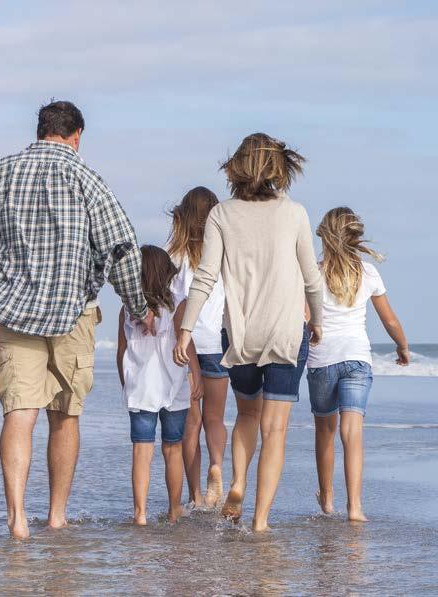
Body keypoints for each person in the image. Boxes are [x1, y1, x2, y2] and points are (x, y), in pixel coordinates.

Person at [0, 101, 154, 539]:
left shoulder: (0, 173)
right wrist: (139, 307)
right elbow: (120, 248)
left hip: (11, 311)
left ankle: (18, 520)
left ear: (41, 129)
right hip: (73, 313)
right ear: (76, 135)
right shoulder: (86, 178)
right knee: (65, 415)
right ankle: (57, 516)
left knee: (19, 412)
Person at [174, 133, 323, 532]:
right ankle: (259, 521)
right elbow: (312, 278)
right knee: (275, 429)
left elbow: (205, 277)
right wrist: (319, 321)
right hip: (285, 333)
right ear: (279, 168)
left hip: (239, 337)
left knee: (246, 416)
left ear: (237, 166)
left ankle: (237, 480)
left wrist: (186, 329)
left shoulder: (222, 214)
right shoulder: (294, 213)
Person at [307, 207, 410, 522]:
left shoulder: (312, 271)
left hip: (322, 360)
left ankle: (327, 499)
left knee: (325, 430)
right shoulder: (368, 273)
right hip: (357, 359)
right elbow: (389, 319)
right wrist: (403, 347)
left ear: (324, 236)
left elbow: (304, 317)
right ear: (355, 237)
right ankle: (355, 508)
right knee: (353, 432)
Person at [117, 245, 203, 525]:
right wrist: (197, 375)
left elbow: (121, 351)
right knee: (172, 449)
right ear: (166, 274)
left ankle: (140, 513)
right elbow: (187, 344)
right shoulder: (178, 305)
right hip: (174, 388)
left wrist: (125, 382)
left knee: (142, 451)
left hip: (140, 390)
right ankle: (174, 509)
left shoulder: (128, 309)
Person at [167, 187, 230, 509]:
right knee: (215, 418)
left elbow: (167, 306)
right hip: (216, 343)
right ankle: (216, 464)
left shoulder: (173, 255)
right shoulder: (223, 255)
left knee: (191, 423)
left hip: (183, 346)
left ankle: (195, 497)